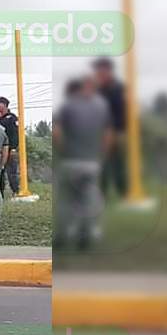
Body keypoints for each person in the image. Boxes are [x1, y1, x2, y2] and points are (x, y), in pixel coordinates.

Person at [53, 77, 112, 250]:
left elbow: (56, 132)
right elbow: (108, 134)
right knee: (88, 200)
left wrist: (64, 150)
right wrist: (102, 156)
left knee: (65, 200)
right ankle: (84, 236)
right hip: (92, 162)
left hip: (70, 162)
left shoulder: (68, 106)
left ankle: (62, 236)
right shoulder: (101, 107)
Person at [93, 57, 127, 198]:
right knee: (102, 164)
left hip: (117, 131)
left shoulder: (118, 89)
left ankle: (123, 191)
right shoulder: (97, 89)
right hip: (100, 132)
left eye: (101, 70)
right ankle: (102, 193)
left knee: (117, 162)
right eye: (97, 70)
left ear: (108, 70)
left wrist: (113, 130)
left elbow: (122, 111)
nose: (98, 73)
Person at [0, 96, 20, 198]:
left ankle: (15, 191)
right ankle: (0, 194)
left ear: (4, 105)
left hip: (9, 148)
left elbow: (15, 134)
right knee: (0, 172)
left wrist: (13, 148)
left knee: (11, 172)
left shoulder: (11, 118)